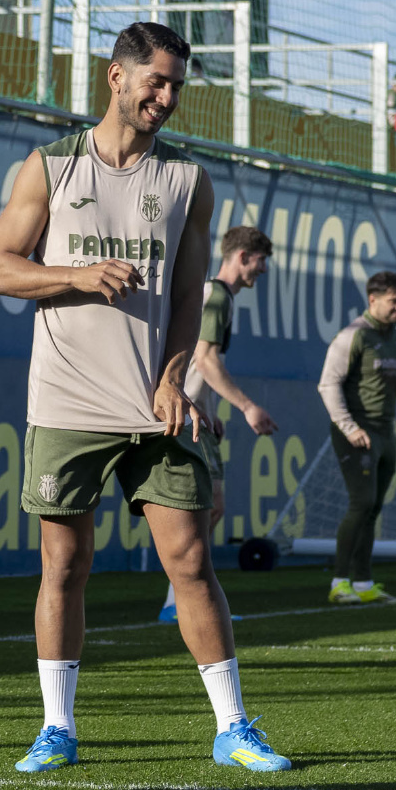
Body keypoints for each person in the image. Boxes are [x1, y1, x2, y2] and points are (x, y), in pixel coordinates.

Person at [0, 21, 291, 776]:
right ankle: (57, 727)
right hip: (65, 405)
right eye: (155, 81)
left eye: (177, 86)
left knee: (190, 561)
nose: (167, 97)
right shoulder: (49, 168)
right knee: (65, 565)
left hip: (156, 408)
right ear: (114, 78)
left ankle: (234, 727)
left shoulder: (188, 179)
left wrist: (171, 375)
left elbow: (191, 294)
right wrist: (76, 277)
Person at [156, 225, 274, 623]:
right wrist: (246, 407)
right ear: (242, 256)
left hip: (195, 412)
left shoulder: (214, 295)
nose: (262, 271)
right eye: (260, 262)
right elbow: (205, 359)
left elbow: (192, 362)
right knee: (202, 509)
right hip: (185, 416)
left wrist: (210, 406)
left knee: (207, 509)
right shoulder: (217, 296)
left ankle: (181, 600)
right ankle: (180, 602)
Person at [317, 271, 396, 605]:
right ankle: (339, 582)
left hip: (385, 432)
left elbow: (389, 387)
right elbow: (327, 384)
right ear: (373, 299)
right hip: (356, 433)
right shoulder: (353, 336)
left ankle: (363, 584)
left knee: (373, 508)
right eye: (394, 301)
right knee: (360, 503)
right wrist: (349, 427)